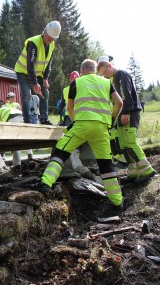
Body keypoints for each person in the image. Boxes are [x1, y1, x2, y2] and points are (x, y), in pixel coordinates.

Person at [35, 59, 124, 211]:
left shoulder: (76, 83)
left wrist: (77, 121)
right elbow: (119, 103)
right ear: (95, 70)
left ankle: (45, 183)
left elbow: (70, 108)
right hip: (102, 127)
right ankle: (117, 201)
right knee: (105, 164)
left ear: (82, 70)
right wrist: (111, 118)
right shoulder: (106, 83)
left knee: (61, 152)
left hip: (82, 125)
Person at [97, 61, 156, 182]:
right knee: (123, 145)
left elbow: (126, 94)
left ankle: (147, 170)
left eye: (105, 72)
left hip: (130, 113)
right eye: (103, 75)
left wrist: (126, 112)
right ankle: (133, 172)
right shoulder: (114, 79)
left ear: (109, 65)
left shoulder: (121, 75)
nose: (106, 76)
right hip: (122, 114)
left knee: (130, 142)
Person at [14, 20, 61, 125]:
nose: (50, 40)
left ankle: (44, 119)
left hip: (38, 73)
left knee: (45, 92)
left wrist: (45, 78)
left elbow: (49, 62)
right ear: (45, 31)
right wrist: (34, 83)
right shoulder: (33, 42)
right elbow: (30, 65)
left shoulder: (52, 45)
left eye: (53, 39)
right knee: (26, 94)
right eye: (49, 37)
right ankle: (27, 121)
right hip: (23, 71)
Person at [0, 92, 23, 168]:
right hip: (21, 117)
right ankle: (17, 165)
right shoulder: (5, 108)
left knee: (7, 141)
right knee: (17, 143)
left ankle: (4, 160)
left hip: (12, 119)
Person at [26, 94, 40, 160]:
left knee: (36, 131)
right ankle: (30, 150)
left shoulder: (35, 97)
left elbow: (39, 105)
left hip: (35, 114)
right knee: (29, 132)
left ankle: (37, 147)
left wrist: (38, 112)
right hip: (28, 116)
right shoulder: (25, 97)